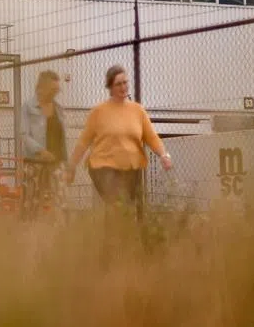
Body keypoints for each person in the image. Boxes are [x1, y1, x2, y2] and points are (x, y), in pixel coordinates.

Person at [65, 64, 172, 220]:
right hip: (104, 167)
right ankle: (114, 242)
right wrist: (71, 166)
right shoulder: (99, 112)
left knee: (126, 209)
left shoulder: (138, 111)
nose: (123, 87)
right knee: (117, 203)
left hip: (130, 168)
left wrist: (164, 154)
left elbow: (151, 137)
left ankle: (121, 241)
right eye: (118, 84)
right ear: (110, 87)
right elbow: (83, 142)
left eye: (125, 82)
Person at [18, 69, 69, 219]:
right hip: (35, 162)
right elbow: (23, 134)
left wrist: (66, 164)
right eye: (53, 89)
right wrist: (41, 151)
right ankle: (28, 233)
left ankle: (60, 234)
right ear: (42, 87)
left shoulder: (59, 109)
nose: (56, 92)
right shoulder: (28, 107)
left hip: (56, 163)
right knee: (31, 202)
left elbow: (62, 138)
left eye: (57, 89)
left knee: (61, 201)